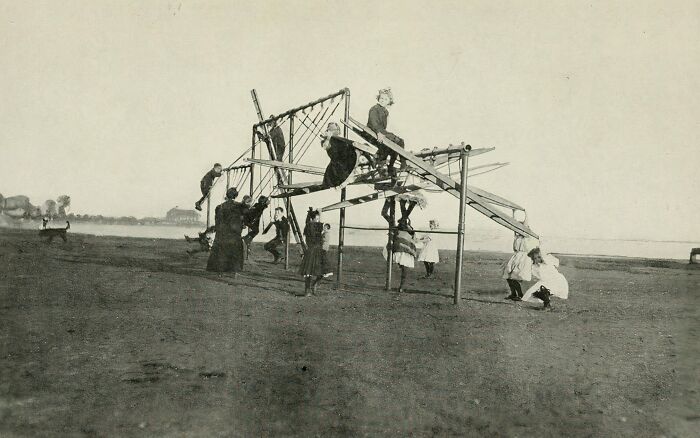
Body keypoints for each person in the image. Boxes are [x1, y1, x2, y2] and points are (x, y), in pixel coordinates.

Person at [206, 188, 247, 276]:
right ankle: (234, 272)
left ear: (227, 195)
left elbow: (217, 220)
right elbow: (244, 217)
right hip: (235, 232)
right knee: (235, 252)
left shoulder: (219, 207)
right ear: (236, 196)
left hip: (222, 233)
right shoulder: (240, 206)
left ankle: (220, 272)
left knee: (221, 252)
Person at [367, 88, 406, 176]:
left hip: (381, 131)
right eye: (381, 98)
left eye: (385, 99)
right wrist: (378, 133)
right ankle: (403, 163)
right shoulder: (374, 109)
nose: (382, 101)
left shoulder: (385, 111)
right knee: (400, 141)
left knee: (395, 145)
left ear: (389, 102)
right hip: (374, 132)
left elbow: (383, 126)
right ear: (378, 99)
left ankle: (391, 165)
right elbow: (373, 122)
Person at [501, 220, 539, 301]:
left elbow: (525, 224)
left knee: (515, 277)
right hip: (516, 256)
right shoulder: (517, 237)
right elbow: (513, 225)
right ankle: (513, 294)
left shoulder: (528, 236)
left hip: (524, 258)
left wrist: (525, 213)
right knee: (508, 276)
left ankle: (520, 295)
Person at [299, 208, 332, 296]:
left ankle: (312, 286)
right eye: (316, 219)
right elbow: (317, 226)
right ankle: (308, 290)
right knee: (309, 272)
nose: (318, 221)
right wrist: (320, 214)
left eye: (318, 219)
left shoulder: (311, 225)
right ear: (312, 219)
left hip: (317, 250)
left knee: (321, 271)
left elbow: (318, 228)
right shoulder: (310, 226)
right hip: (312, 250)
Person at [383, 217, 417, 293]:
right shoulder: (397, 229)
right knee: (404, 269)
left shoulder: (410, 230)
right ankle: (400, 287)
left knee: (404, 269)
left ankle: (401, 287)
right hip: (400, 250)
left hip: (404, 250)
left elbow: (413, 239)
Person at [320, 122, 358, 188]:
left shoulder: (341, 140)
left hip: (346, 165)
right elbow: (325, 147)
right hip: (335, 168)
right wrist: (328, 137)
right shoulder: (327, 141)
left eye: (336, 130)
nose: (336, 131)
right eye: (331, 130)